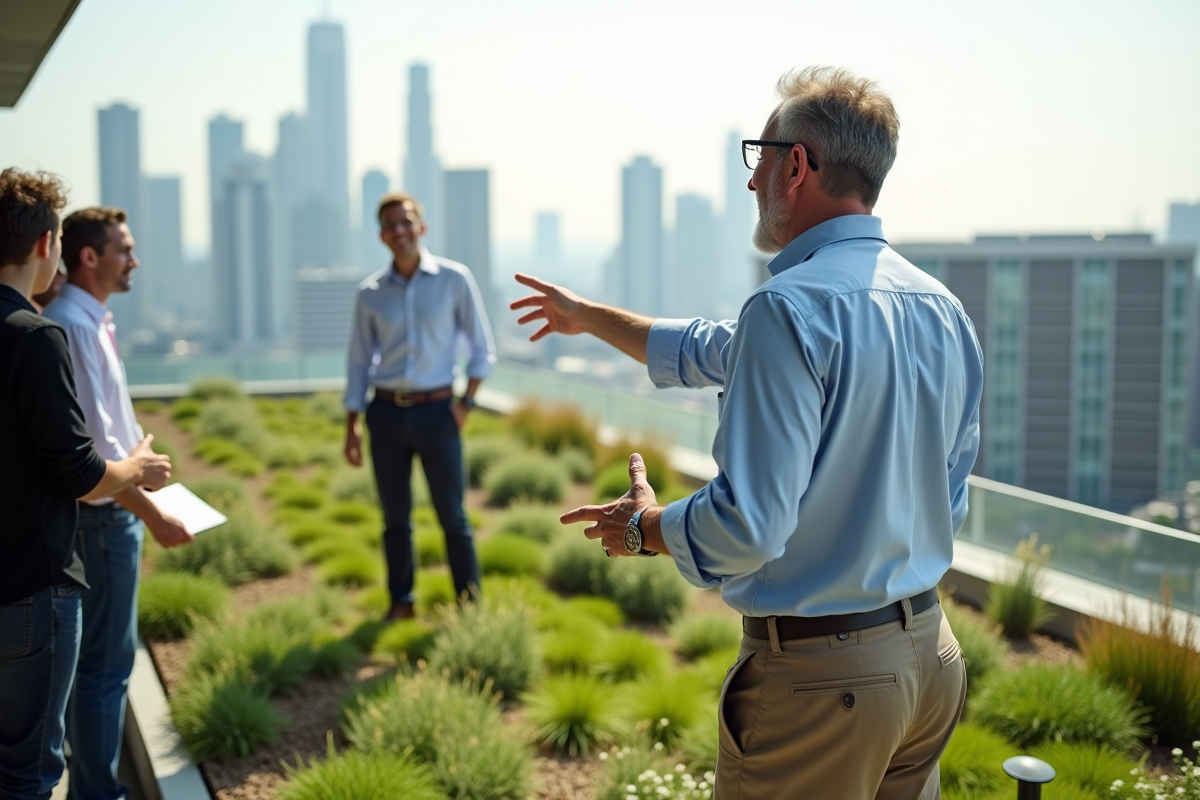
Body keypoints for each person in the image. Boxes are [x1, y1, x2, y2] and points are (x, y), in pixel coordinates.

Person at [511, 66, 983, 799]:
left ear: (797, 167)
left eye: (760, 156)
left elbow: (749, 526)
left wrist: (646, 527)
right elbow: (949, 498)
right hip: (931, 660)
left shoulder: (788, 308)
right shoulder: (941, 309)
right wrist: (588, 317)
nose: (752, 179)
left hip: (826, 688)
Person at [0, 168, 172, 800]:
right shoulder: (44, 333)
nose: (134, 260)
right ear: (48, 246)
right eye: (125, 249)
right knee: (33, 767)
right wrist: (140, 476)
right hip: (39, 572)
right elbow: (79, 467)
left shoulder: (69, 324)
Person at [44, 206, 193, 800]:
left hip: (108, 514)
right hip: (105, 519)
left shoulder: (89, 320)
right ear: (89, 257)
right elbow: (94, 456)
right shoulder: (75, 327)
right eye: (124, 249)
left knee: (94, 668)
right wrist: (155, 515)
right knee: (105, 670)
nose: (134, 260)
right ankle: (96, 794)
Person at [343, 191, 496, 621]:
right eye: (390, 225)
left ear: (421, 227)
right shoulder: (370, 293)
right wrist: (352, 424)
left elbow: (482, 349)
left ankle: (469, 608)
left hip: (438, 413)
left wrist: (465, 404)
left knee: (453, 517)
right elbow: (358, 362)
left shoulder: (454, 279)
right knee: (395, 519)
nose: (399, 230)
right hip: (385, 414)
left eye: (406, 221)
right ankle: (401, 603)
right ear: (381, 236)